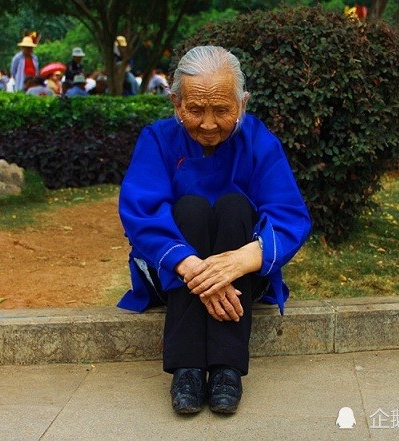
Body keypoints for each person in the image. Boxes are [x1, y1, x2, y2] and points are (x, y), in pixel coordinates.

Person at [117, 46, 311, 415]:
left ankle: (226, 368)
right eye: (195, 109)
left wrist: (239, 260)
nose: (208, 124)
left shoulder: (259, 141)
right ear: (176, 102)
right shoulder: (157, 139)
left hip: (243, 274)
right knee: (189, 209)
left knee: (234, 206)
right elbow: (140, 210)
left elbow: (288, 214)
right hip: (172, 273)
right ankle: (187, 369)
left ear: (243, 102)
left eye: (222, 110)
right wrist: (194, 267)